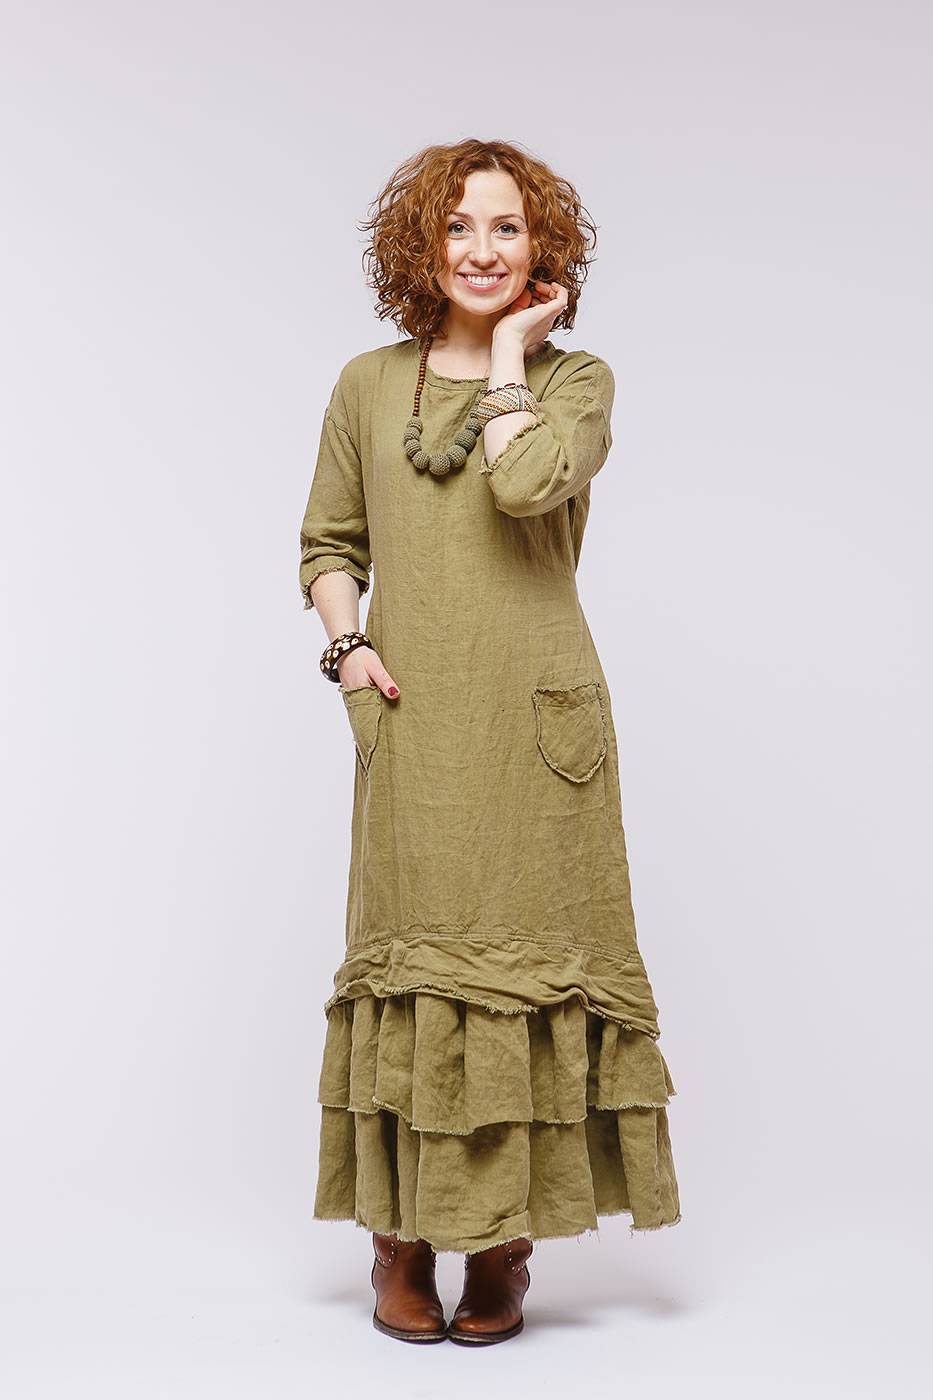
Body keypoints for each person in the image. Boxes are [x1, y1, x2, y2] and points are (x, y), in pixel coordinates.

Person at [298, 138, 681, 1346]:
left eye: (506, 227)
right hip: (418, 720)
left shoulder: (576, 380)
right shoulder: (368, 384)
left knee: (529, 963)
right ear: (420, 246)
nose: (481, 248)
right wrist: (347, 648)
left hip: (537, 725)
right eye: (457, 226)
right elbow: (328, 542)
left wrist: (513, 351)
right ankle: (400, 1241)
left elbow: (523, 489)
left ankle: (504, 1247)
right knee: (413, 966)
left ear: (541, 249)